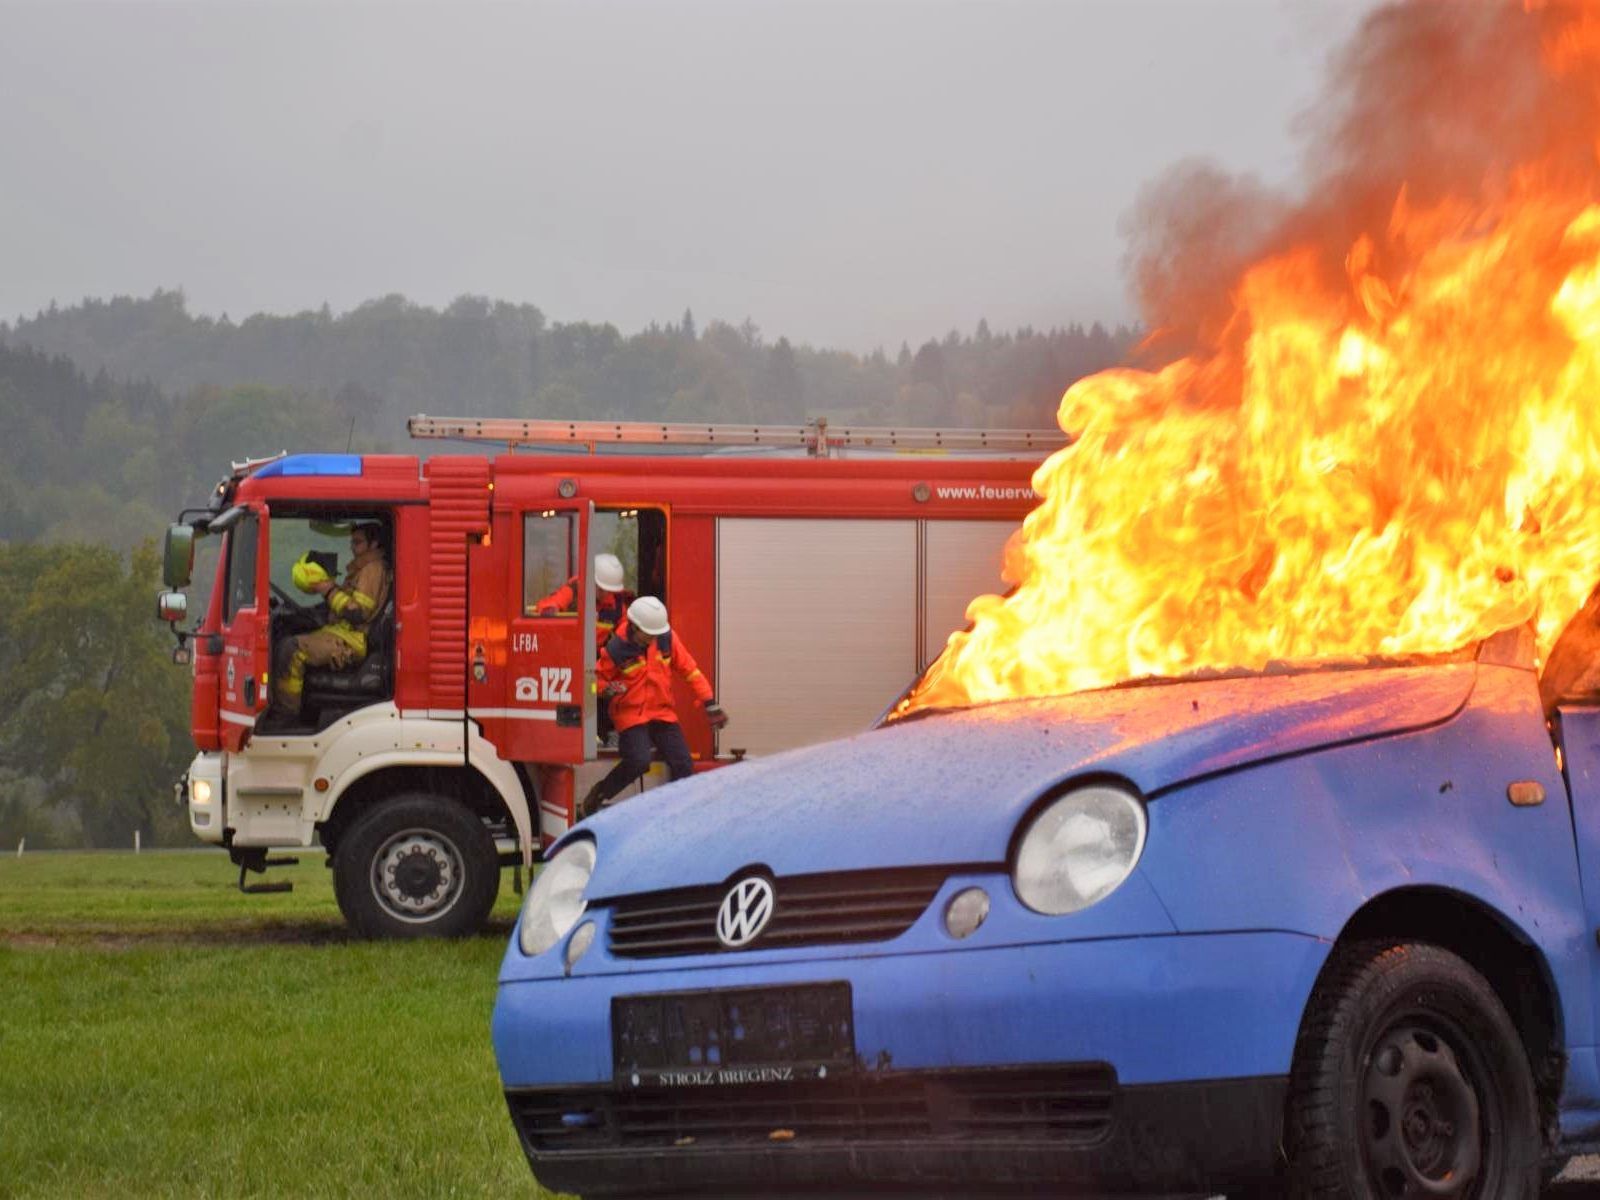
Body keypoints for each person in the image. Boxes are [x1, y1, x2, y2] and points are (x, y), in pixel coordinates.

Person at [579, 596, 729, 818]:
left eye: (655, 633)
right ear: (634, 627)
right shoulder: (616, 649)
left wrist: (710, 703)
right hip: (630, 715)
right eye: (648, 634)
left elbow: (690, 670)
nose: (652, 638)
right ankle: (598, 794)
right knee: (639, 761)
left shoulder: (666, 638)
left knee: (683, 764)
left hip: (662, 713)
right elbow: (592, 684)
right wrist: (605, 689)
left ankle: (675, 813)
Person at [271, 522, 392, 720]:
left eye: (358, 542)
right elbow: (342, 604)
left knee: (291, 649)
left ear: (374, 544)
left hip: (354, 640)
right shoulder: (361, 569)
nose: (352, 547)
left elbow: (358, 613)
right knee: (291, 634)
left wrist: (327, 589)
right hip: (344, 632)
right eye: (352, 542)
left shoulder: (373, 569)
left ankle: (285, 716)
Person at [536, 553, 635, 649]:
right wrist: (550, 611)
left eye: (609, 591)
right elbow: (553, 602)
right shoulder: (574, 589)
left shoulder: (618, 603)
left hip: (598, 656)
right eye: (601, 589)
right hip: (570, 652)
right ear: (590, 580)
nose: (605, 594)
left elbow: (626, 630)